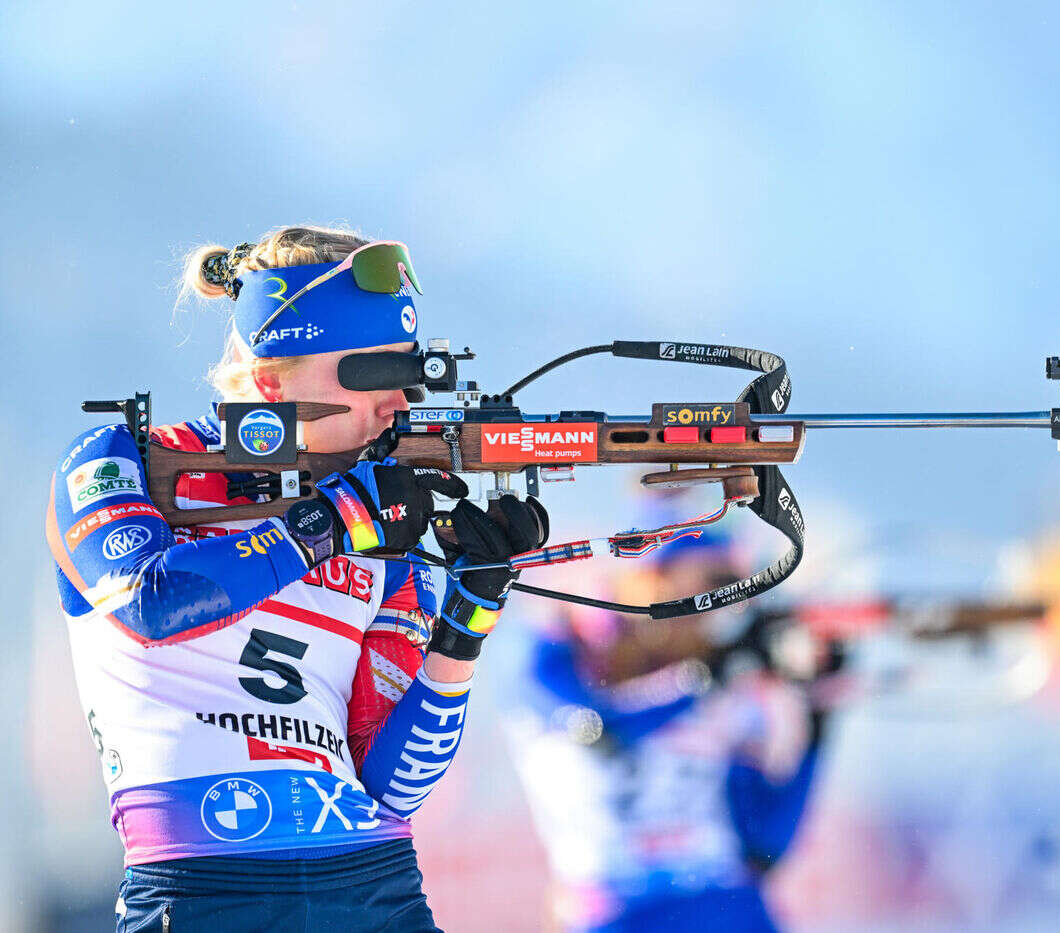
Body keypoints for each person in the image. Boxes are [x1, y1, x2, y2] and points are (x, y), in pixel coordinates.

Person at [46, 226, 547, 932]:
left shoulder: (384, 526)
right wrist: (333, 521)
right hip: (200, 890)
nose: (399, 402)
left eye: (409, 373)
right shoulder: (122, 461)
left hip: (373, 886)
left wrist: (468, 618)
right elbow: (148, 601)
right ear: (269, 378)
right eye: (370, 373)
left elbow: (392, 784)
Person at [501, 528, 836, 933]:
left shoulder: (715, 683)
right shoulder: (555, 655)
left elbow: (762, 847)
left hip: (724, 908)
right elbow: (599, 731)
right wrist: (705, 679)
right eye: (718, 585)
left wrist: (820, 714)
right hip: (617, 914)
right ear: (654, 577)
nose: (732, 606)